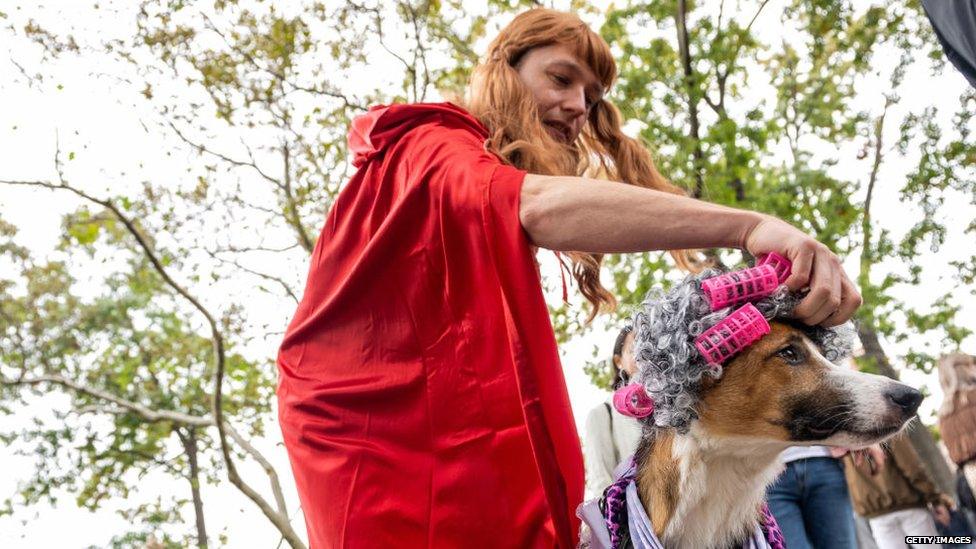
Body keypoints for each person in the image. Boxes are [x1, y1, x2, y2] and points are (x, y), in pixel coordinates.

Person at [276, 8, 863, 548]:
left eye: (592, 95)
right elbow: (535, 206)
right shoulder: (430, 144)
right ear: (501, 72)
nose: (580, 105)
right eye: (561, 80)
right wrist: (753, 227)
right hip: (378, 445)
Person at [844, 434, 955, 549]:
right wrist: (935, 499)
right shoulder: (888, 423)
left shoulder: (840, 434)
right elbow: (912, 467)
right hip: (909, 506)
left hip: (877, 515)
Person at [583, 326, 642, 497]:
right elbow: (601, 483)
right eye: (634, 350)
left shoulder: (672, 405)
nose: (643, 355)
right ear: (618, 361)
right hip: (637, 517)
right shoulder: (602, 415)